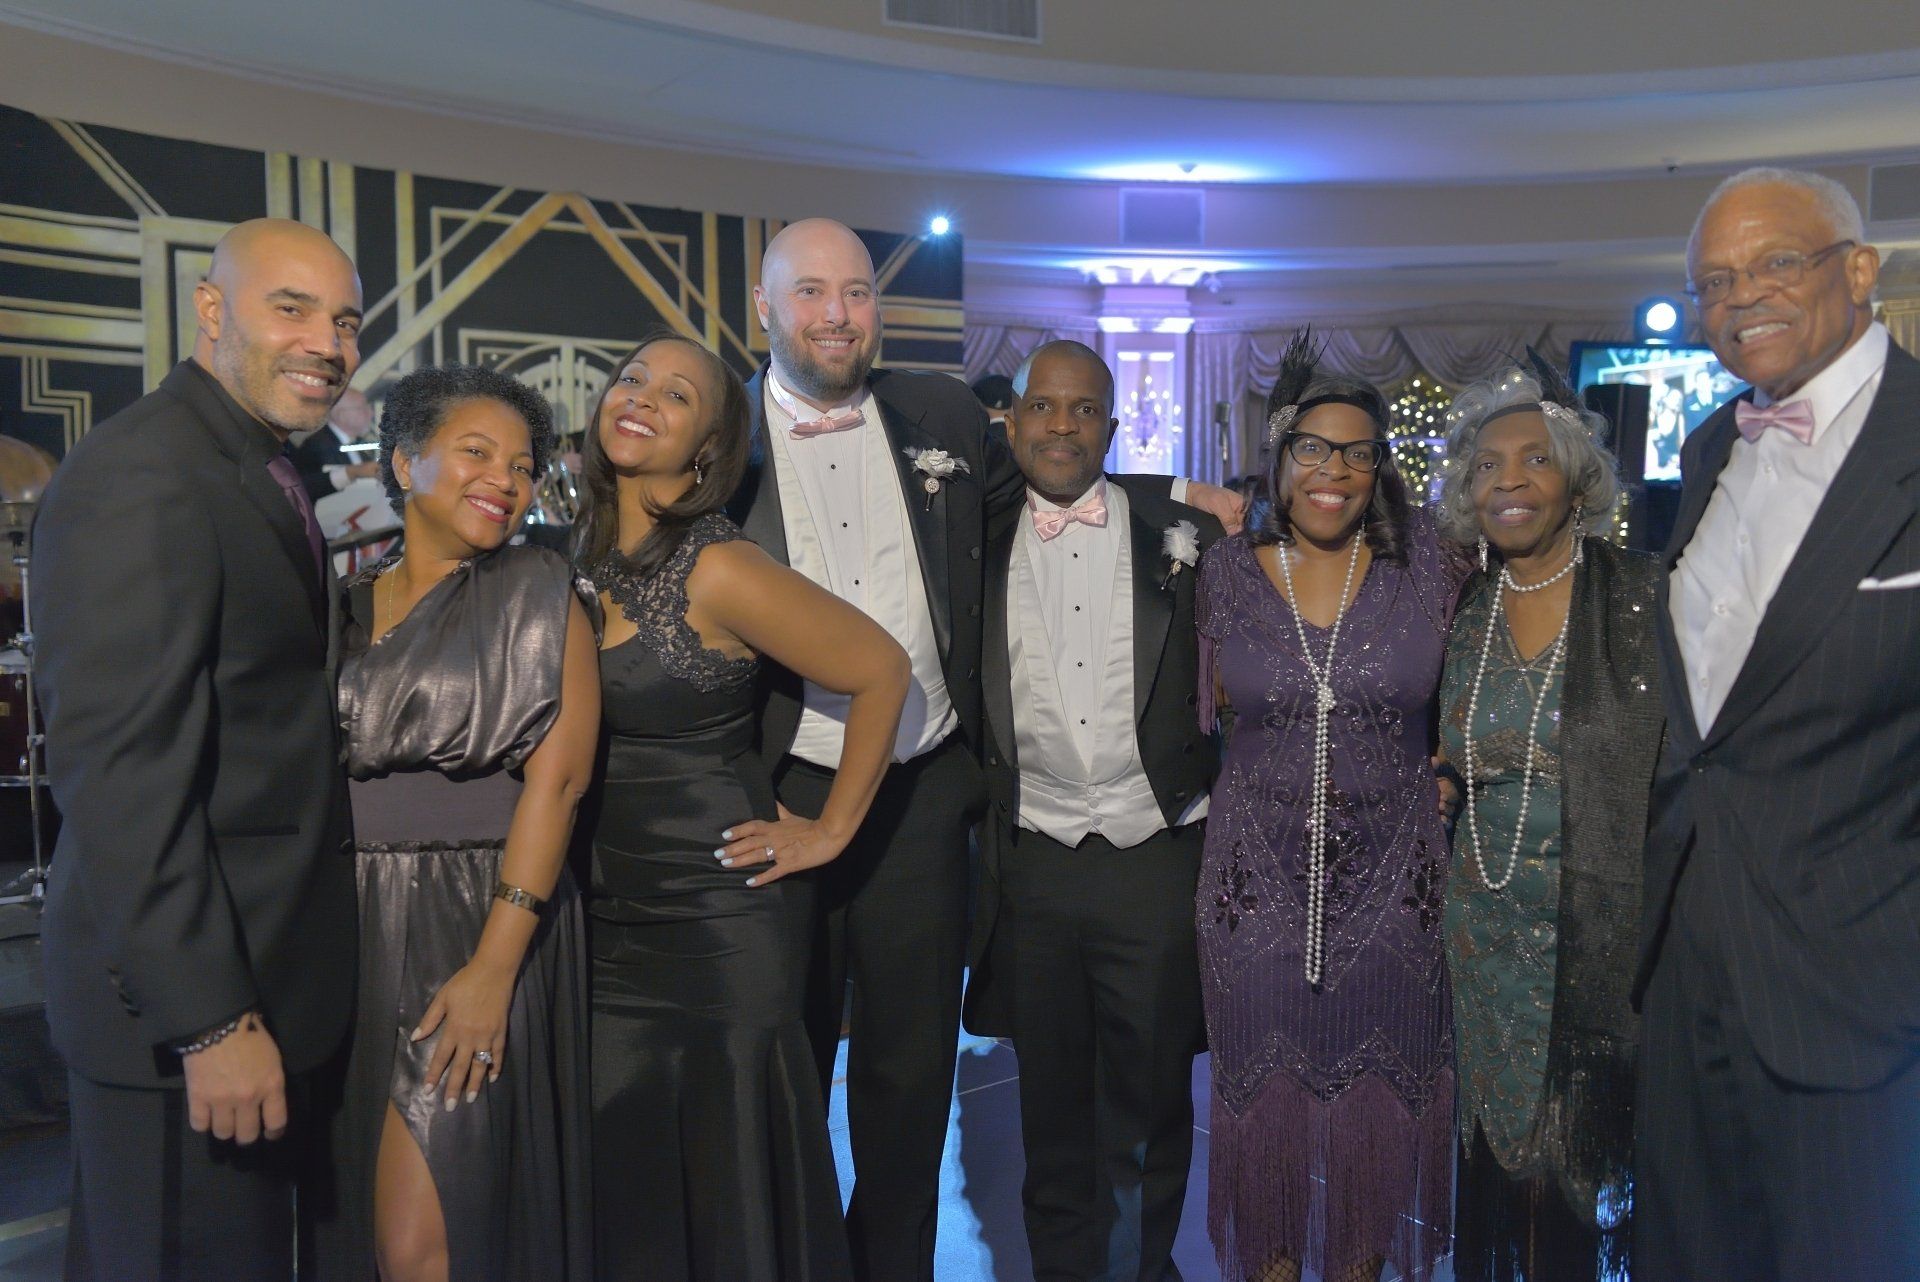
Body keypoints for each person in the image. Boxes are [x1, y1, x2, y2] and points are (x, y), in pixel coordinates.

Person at [732, 218, 1243, 1278]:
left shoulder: (939, 414)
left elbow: (1067, 480)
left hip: (923, 798)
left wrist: (1178, 495)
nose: (838, 313)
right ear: (764, 307)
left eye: (857, 291)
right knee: (781, 1070)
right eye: (812, 291)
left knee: (910, 1082)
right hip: (781, 793)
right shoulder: (723, 445)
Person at [31, 218, 361, 1278]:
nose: (327, 344)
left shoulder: (250, 461)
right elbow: (121, 777)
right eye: (292, 308)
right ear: (211, 309)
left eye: (346, 322)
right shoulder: (146, 472)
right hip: (182, 1018)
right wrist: (210, 1021)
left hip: (256, 982)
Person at [1636, 166, 1920, 1279]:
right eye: (1713, 281)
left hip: (1860, 995)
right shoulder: (1713, 445)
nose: (1740, 296)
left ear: (1861, 270)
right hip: (1684, 970)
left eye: (1776, 264)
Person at [577, 330, 908, 1281]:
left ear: (710, 449)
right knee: (631, 1185)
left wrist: (831, 830)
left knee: (729, 1186)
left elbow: (883, 669)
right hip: (604, 922)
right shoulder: (578, 550)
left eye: (677, 396)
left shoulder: (719, 566)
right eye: (632, 377)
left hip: (717, 930)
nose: (641, 397)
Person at [310, 364, 598, 1281]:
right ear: (403, 462)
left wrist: (494, 968)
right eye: (477, 452)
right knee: (357, 1219)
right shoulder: (339, 603)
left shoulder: (541, 590)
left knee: (425, 1237)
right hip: (349, 924)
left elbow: (558, 787)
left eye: (522, 466)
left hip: (477, 914)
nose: (504, 480)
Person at [1194, 331, 1462, 1282]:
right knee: (1262, 1123)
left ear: (1380, 467)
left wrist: (1463, 768)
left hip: (1398, 896)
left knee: (1376, 1124)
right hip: (1253, 894)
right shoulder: (1223, 571)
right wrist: (1184, 490)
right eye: (1313, 448)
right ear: (1279, 456)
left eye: (1357, 452)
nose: (1334, 471)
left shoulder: (1432, 569)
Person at [963, 340, 1221, 1281]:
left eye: (1083, 409)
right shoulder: (972, 538)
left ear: (1112, 428)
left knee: (1149, 1107)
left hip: (1155, 857)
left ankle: (1140, 1270)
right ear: (1013, 420)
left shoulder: (1187, 533)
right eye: (1044, 405)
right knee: (1049, 1110)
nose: (1062, 425)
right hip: (1031, 860)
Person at [1433, 360, 1664, 1282]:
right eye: (1487, 465)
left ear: (1577, 481)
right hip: (1482, 931)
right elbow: (1449, 749)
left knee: (1587, 1173)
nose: (1509, 481)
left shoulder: (1644, 597)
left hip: (1600, 929)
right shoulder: (1467, 609)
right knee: (1502, 1177)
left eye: (1535, 460)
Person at [294, 384, 379, 503]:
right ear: (341, 415)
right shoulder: (316, 447)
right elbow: (307, 490)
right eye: (363, 408)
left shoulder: (358, 445)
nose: (371, 413)